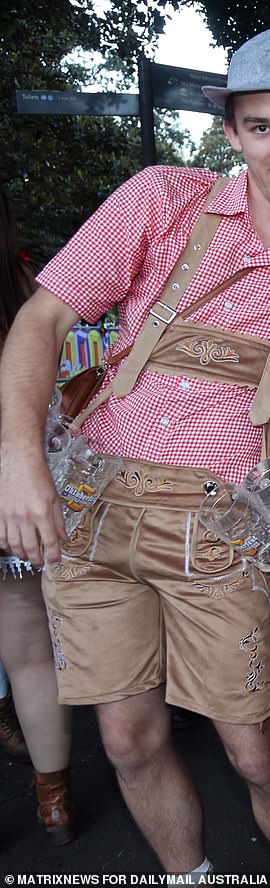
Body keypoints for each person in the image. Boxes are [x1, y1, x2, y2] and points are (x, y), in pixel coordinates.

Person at [0, 28, 270, 886]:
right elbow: (42, 321)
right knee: (125, 739)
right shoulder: (162, 197)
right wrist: (19, 458)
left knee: (255, 751)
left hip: (221, 521)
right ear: (230, 132)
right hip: (93, 506)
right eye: (261, 127)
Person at [0, 184, 75, 842]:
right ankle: (54, 799)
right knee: (27, 647)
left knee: (26, 647)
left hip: (13, 474)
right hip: (13, 472)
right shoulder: (22, 282)